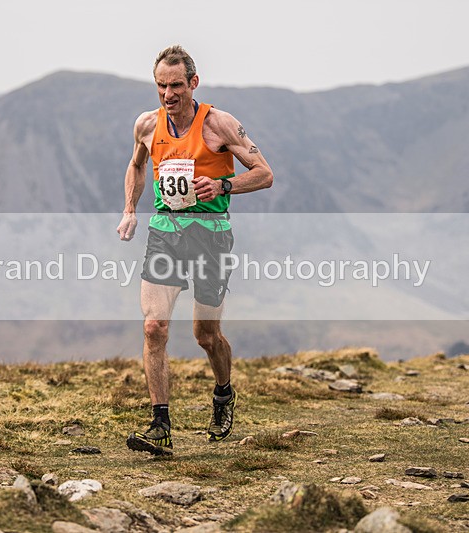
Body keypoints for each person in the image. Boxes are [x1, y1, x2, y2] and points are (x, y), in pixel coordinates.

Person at [116, 45, 274, 455]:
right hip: (166, 232)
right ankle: (160, 425)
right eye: (161, 86)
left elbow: (264, 174)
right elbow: (136, 165)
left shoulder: (219, 125)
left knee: (206, 335)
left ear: (193, 84)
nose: (168, 95)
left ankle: (223, 393)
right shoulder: (147, 126)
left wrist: (223, 185)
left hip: (211, 235)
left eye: (176, 86)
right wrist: (130, 208)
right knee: (154, 327)